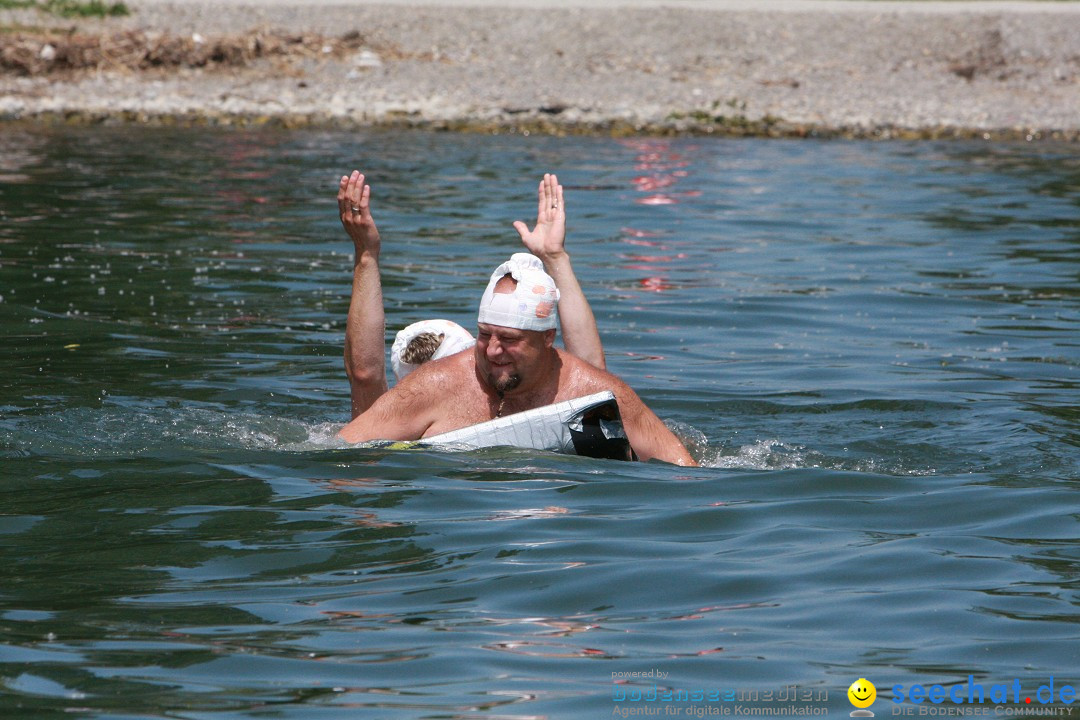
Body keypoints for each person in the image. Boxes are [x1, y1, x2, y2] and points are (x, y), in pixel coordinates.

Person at [336, 171, 696, 466]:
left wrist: (555, 256)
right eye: (484, 335)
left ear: (546, 339)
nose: (493, 350)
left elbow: (687, 474)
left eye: (508, 339)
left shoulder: (594, 391)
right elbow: (342, 449)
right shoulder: (434, 387)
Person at [338, 170, 606, 418]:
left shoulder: (392, 422)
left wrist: (366, 256)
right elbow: (591, 373)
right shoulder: (516, 406)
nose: (493, 351)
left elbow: (365, 376)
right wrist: (555, 258)